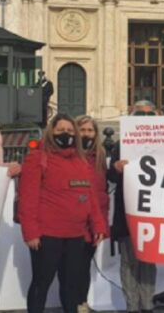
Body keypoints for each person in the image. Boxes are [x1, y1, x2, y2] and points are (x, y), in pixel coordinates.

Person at [19, 114, 107, 313]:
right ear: (51, 132)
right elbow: (28, 198)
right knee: (42, 284)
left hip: (76, 235)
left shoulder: (81, 160)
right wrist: (31, 232)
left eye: (69, 130)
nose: (65, 134)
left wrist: (98, 225)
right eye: (60, 130)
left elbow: (90, 196)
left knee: (70, 287)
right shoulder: (38, 158)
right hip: (47, 235)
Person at [108, 100, 159, 313]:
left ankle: (147, 305)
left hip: (154, 212)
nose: (144, 119)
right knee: (128, 262)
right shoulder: (122, 144)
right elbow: (109, 175)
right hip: (127, 213)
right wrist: (116, 168)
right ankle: (131, 306)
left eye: (149, 115)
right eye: (140, 115)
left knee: (148, 262)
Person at [65, 115, 109, 313]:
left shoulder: (100, 156)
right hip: (74, 218)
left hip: (95, 218)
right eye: (82, 130)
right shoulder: (68, 155)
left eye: (90, 131)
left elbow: (102, 188)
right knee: (72, 265)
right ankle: (72, 303)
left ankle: (81, 301)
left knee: (84, 265)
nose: (86, 134)